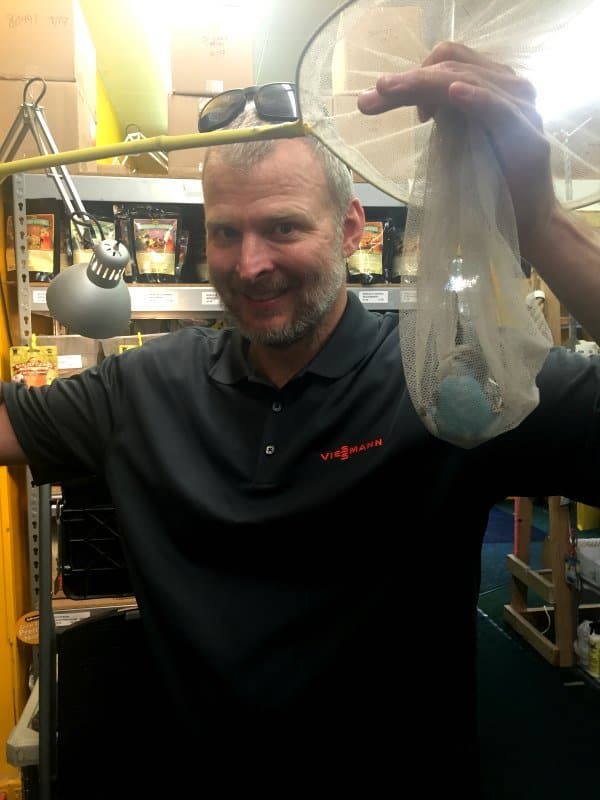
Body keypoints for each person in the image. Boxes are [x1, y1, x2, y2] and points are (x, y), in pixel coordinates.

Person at [2, 42, 600, 797]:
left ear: (351, 229)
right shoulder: (143, 385)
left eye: (283, 227)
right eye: (225, 232)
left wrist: (542, 220)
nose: (250, 264)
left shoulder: (449, 379)